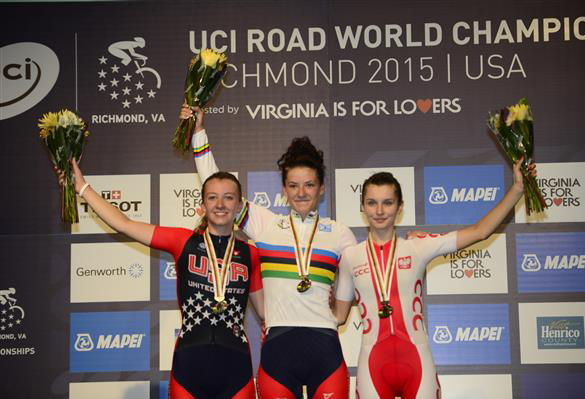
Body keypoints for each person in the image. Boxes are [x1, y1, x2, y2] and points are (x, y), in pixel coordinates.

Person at [181, 105, 356, 399]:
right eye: (293, 185)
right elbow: (217, 182)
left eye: (309, 185)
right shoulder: (266, 225)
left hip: (325, 348)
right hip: (278, 350)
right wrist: (198, 132)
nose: (301, 193)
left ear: (322, 188)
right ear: (284, 190)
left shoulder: (339, 233)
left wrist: (407, 241)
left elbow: (367, 269)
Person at [61, 159, 263, 399]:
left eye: (228, 197)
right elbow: (124, 223)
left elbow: (265, 314)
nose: (220, 204)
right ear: (201, 205)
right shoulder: (182, 241)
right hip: (189, 368)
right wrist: (83, 188)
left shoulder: (251, 254)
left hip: (236, 369)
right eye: (212, 198)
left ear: (240, 206)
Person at [333, 159, 534, 399]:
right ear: (362, 207)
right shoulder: (350, 257)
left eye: (387, 203)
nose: (379, 211)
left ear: (400, 207)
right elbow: (339, 316)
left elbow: (480, 231)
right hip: (372, 365)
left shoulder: (418, 246)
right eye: (372, 203)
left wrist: (518, 189)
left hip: (417, 361)